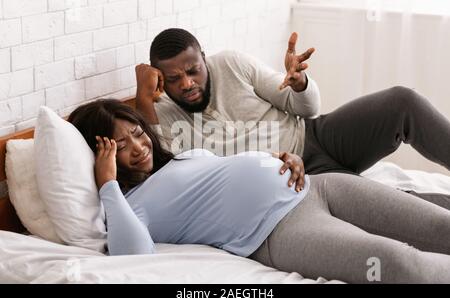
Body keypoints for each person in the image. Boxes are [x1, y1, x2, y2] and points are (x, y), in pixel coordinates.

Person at [68, 99, 450, 284]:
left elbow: (228, 172)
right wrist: (108, 185)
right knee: (399, 265)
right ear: (102, 155)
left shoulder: (179, 159)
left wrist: (284, 159)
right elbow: (132, 255)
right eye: (121, 145)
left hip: (316, 186)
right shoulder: (129, 205)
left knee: (442, 228)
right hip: (279, 233)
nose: (138, 146)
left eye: (137, 133)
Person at [135, 28, 450, 206]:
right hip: (295, 181)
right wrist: (143, 97)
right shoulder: (159, 116)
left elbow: (306, 108)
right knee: (396, 206)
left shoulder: (230, 63)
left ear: (204, 58)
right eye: (174, 79)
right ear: (159, 79)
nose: (187, 83)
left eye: (193, 71)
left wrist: (299, 84)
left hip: (315, 135)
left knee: (401, 102)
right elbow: (161, 168)